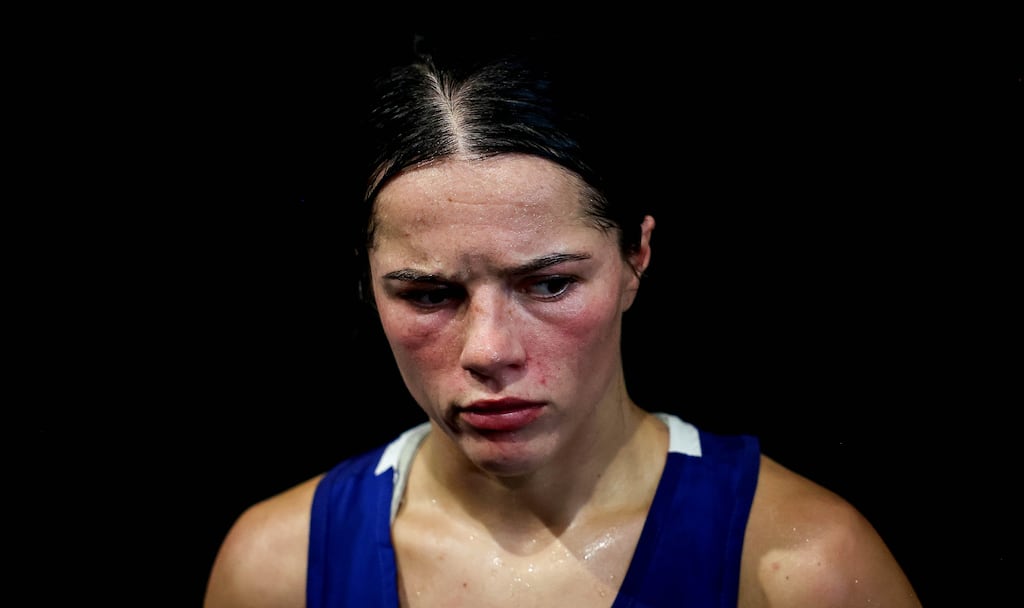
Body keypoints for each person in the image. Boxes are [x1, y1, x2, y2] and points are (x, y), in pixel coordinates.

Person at [203, 33, 921, 607]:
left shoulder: (804, 568)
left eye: (548, 284)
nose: (489, 350)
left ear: (636, 255)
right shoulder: (278, 569)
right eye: (427, 295)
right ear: (366, 284)